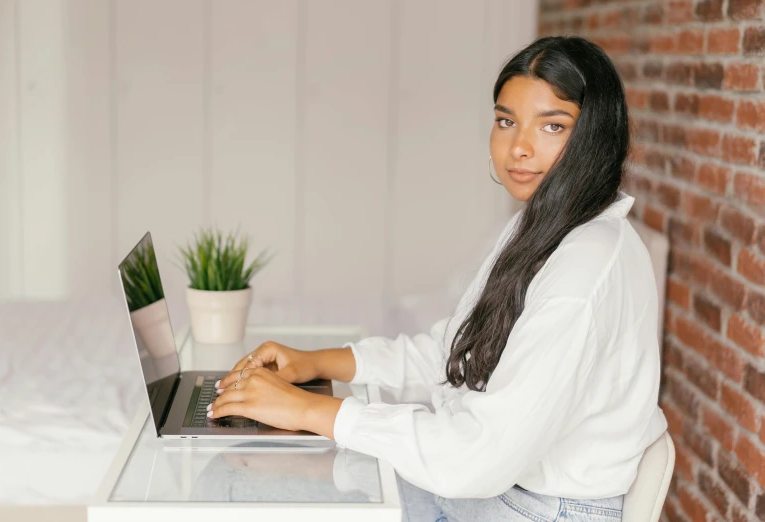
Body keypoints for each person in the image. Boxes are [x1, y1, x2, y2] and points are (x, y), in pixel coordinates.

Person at [207, 35, 668, 522]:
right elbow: (458, 352)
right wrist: (316, 363)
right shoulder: (543, 226)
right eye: (505, 121)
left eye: (552, 126)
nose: (518, 148)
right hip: (497, 486)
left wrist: (307, 412)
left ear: (595, 136)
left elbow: (477, 456)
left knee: (235, 487)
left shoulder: (586, 266)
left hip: (534, 507)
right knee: (240, 473)